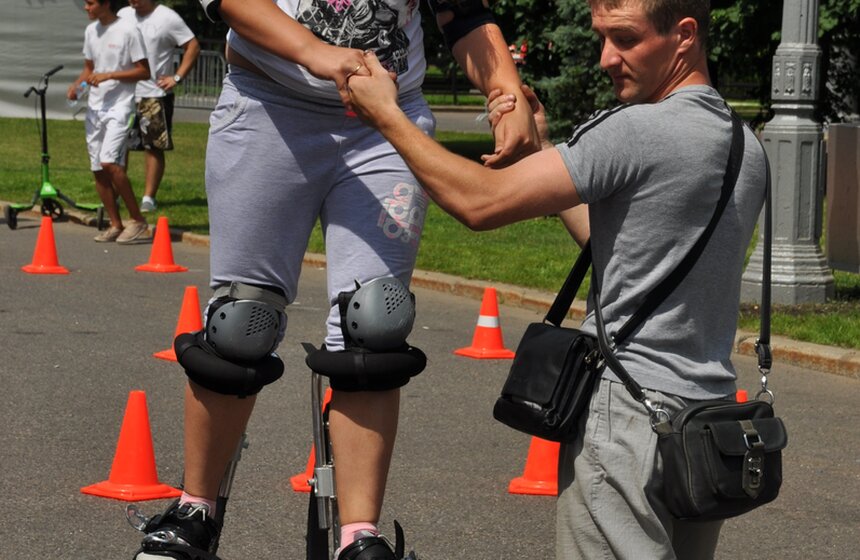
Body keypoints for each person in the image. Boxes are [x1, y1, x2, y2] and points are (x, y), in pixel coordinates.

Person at [346, 0, 767, 558]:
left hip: (630, 420)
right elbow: (627, 251)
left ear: (684, 35)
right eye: (601, 38)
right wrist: (544, 146)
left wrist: (387, 115)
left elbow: (478, 202)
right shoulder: (746, 144)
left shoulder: (637, 130)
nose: (605, 58)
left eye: (624, 38)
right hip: (703, 424)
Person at [130, 1, 538, 559]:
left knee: (376, 318)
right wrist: (321, 55)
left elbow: (462, 13)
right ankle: (194, 510)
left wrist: (505, 95)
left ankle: (359, 536)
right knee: (240, 323)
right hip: (271, 108)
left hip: (383, 120)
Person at [68, 0, 151, 244]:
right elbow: (89, 68)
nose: (86, 8)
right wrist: (77, 86)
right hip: (95, 107)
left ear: (106, 4)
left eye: (91, 3)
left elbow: (144, 71)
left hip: (120, 106)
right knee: (97, 168)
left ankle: (137, 220)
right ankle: (115, 224)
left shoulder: (128, 30)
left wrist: (110, 75)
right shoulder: (91, 31)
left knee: (109, 162)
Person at [119, 0, 201, 213]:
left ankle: (148, 197)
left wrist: (176, 77)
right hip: (125, 92)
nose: (133, 1)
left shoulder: (167, 17)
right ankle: (118, 192)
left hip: (154, 94)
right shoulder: (123, 15)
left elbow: (192, 45)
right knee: (119, 145)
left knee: (153, 147)